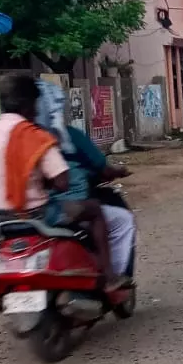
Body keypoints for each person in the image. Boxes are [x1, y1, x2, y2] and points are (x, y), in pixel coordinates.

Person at [33, 81, 136, 287]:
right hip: (57, 208)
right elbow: (102, 168)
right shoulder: (67, 136)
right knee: (120, 219)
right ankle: (111, 276)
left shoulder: (18, 137)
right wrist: (119, 172)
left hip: (19, 211)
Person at [0, 74, 71, 234]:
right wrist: (43, 183)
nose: (37, 111)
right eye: (36, 104)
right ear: (27, 105)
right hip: (35, 219)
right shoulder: (38, 137)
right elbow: (62, 182)